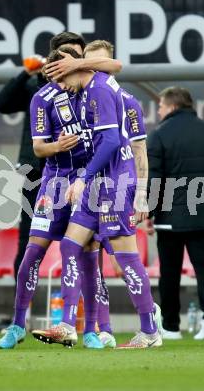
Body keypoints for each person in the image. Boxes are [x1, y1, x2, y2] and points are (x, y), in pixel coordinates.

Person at [0, 34, 123, 350]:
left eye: (75, 63)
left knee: (88, 258)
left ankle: (91, 329)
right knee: (31, 254)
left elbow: (115, 65)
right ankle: (16, 325)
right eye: (63, 67)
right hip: (53, 182)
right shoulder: (42, 97)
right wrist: (58, 146)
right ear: (54, 69)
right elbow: (39, 148)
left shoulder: (93, 89)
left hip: (88, 183)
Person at [32, 48, 162, 349]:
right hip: (99, 183)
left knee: (126, 258)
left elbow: (112, 141)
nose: (62, 89)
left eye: (62, 79)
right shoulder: (92, 87)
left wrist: (82, 177)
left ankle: (149, 330)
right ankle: (67, 324)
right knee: (69, 244)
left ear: (71, 69)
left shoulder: (100, 90)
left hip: (114, 182)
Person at [147, 86, 204, 340]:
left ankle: (171, 327)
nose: (159, 111)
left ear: (172, 106)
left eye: (161, 106)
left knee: (170, 272)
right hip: (203, 216)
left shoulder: (159, 135)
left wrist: (150, 213)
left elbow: (155, 181)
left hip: (169, 218)